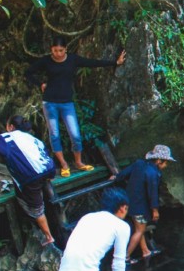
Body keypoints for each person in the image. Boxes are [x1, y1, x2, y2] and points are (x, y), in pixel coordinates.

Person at [24, 36, 126, 177]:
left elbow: (92, 63)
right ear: (51, 50)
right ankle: (64, 164)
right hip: (50, 102)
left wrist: (115, 62)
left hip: (67, 103)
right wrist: (40, 83)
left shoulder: (73, 59)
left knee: (75, 135)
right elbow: (28, 73)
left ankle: (78, 162)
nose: (58, 53)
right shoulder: (46, 61)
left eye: (60, 50)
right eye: (55, 50)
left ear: (65, 49)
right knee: (54, 135)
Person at [110, 144, 175, 264]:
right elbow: (153, 193)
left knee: (140, 228)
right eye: (165, 163)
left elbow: (124, 174)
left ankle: (145, 251)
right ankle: (125, 258)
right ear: (159, 161)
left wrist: (116, 177)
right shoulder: (153, 174)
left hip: (129, 202)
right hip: (139, 207)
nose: (166, 166)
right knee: (139, 231)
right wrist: (155, 210)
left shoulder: (139, 163)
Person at [0, 115, 57, 246]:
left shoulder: (7, 138)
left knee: (37, 209)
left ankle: (49, 236)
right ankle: (47, 198)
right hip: (49, 169)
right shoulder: (33, 139)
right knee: (29, 187)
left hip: (32, 176)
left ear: (11, 127)